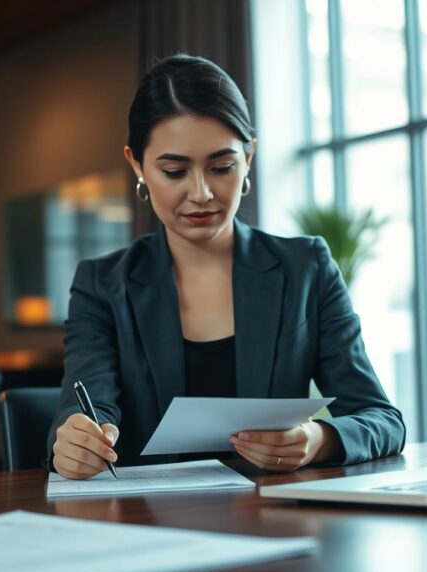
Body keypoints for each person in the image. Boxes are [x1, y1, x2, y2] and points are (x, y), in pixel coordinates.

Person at [48, 54, 405, 479]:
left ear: (249, 156)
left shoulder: (306, 268)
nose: (200, 193)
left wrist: (318, 440)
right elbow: (84, 407)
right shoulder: (103, 285)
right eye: (174, 171)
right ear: (137, 164)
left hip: (273, 516)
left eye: (221, 168)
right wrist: (75, 442)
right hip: (147, 523)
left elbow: (380, 419)